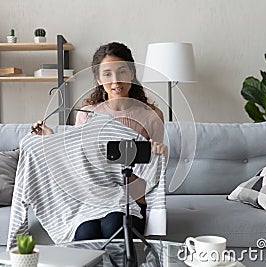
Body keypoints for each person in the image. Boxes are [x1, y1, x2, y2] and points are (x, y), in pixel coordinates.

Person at [31, 42, 167, 241]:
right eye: (107, 74)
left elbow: (155, 174)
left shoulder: (152, 116)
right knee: (86, 234)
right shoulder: (88, 115)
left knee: (114, 226)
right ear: (97, 78)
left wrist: (158, 153)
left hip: (131, 201)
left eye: (122, 72)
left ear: (132, 73)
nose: (115, 81)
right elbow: (76, 163)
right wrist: (50, 139)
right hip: (92, 201)